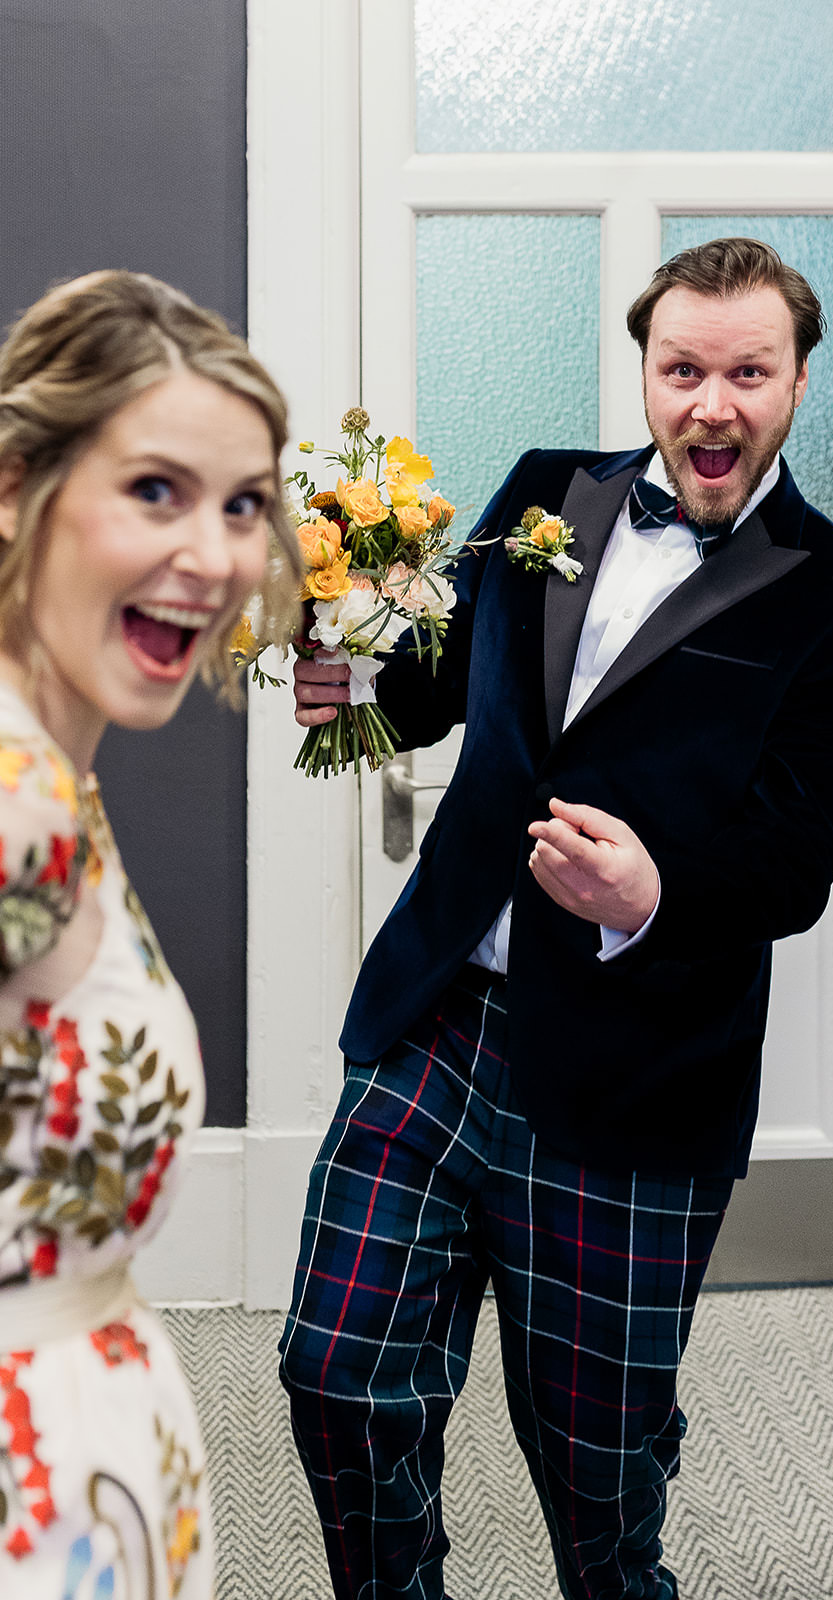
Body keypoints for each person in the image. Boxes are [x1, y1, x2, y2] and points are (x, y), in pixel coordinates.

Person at [279, 237, 833, 1599]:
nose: (712, 404)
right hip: (441, 1014)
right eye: (683, 369)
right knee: (335, 1374)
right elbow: (436, 689)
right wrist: (342, 676)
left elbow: (799, 859)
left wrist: (658, 896)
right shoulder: (543, 494)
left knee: (598, 1477)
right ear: (647, 371)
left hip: (639, 1076)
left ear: (800, 379)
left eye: (748, 371)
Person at [0, 269, 299, 1596]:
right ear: (18, 488)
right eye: (156, 492)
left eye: (243, 506)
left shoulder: (60, 775)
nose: (218, 557)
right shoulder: (18, 805)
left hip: (94, 1439)